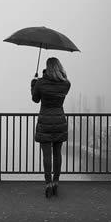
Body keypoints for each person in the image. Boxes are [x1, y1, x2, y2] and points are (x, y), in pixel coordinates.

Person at [31, 57, 71, 198]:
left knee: (46, 155)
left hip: (45, 123)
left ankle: (48, 184)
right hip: (60, 121)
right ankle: (56, 183)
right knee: (57, 154)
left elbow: (35, 99)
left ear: (47, 67)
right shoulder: (66, 84)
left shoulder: (41, 83)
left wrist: (33, 84)